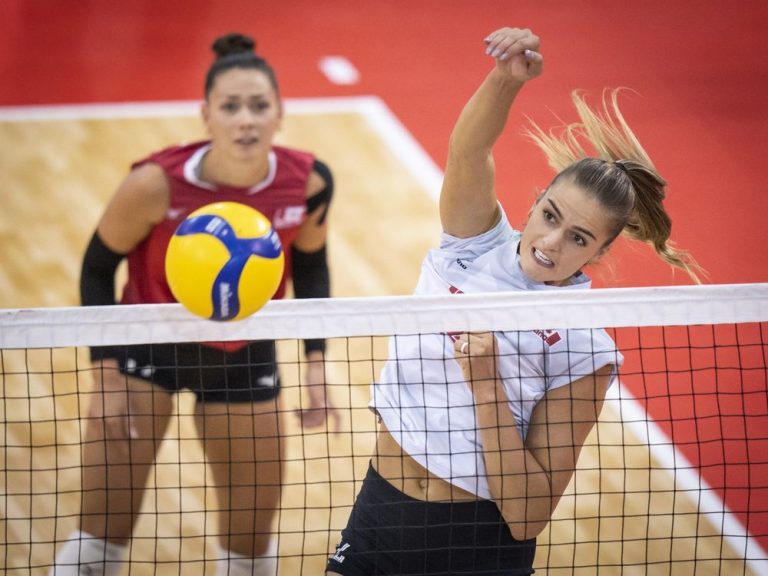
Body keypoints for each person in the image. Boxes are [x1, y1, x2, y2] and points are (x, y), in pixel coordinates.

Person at [327, 26, 702, 576]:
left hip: (475, 549)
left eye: (579, 238)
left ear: (599, 250)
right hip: (379, 514)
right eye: (550, 216)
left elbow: (528, 515)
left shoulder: (583, 346)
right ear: (533, 204)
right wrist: (506, 79)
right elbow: (467, 150)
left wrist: (486, 386)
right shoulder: (471, 246)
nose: (551, 243)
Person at [52, 33, 338, 576]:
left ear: (280, 113)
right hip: (147, 352)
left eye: (259, 106)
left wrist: (316, 363)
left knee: (251, 553)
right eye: (230, 107)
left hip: (244, 354)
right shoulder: (155, 184)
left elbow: (311, 265)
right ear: (206, 115)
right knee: (96, 545)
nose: (245, 120)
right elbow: (95, 269)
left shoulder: (308, 184)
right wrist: (105, 376)